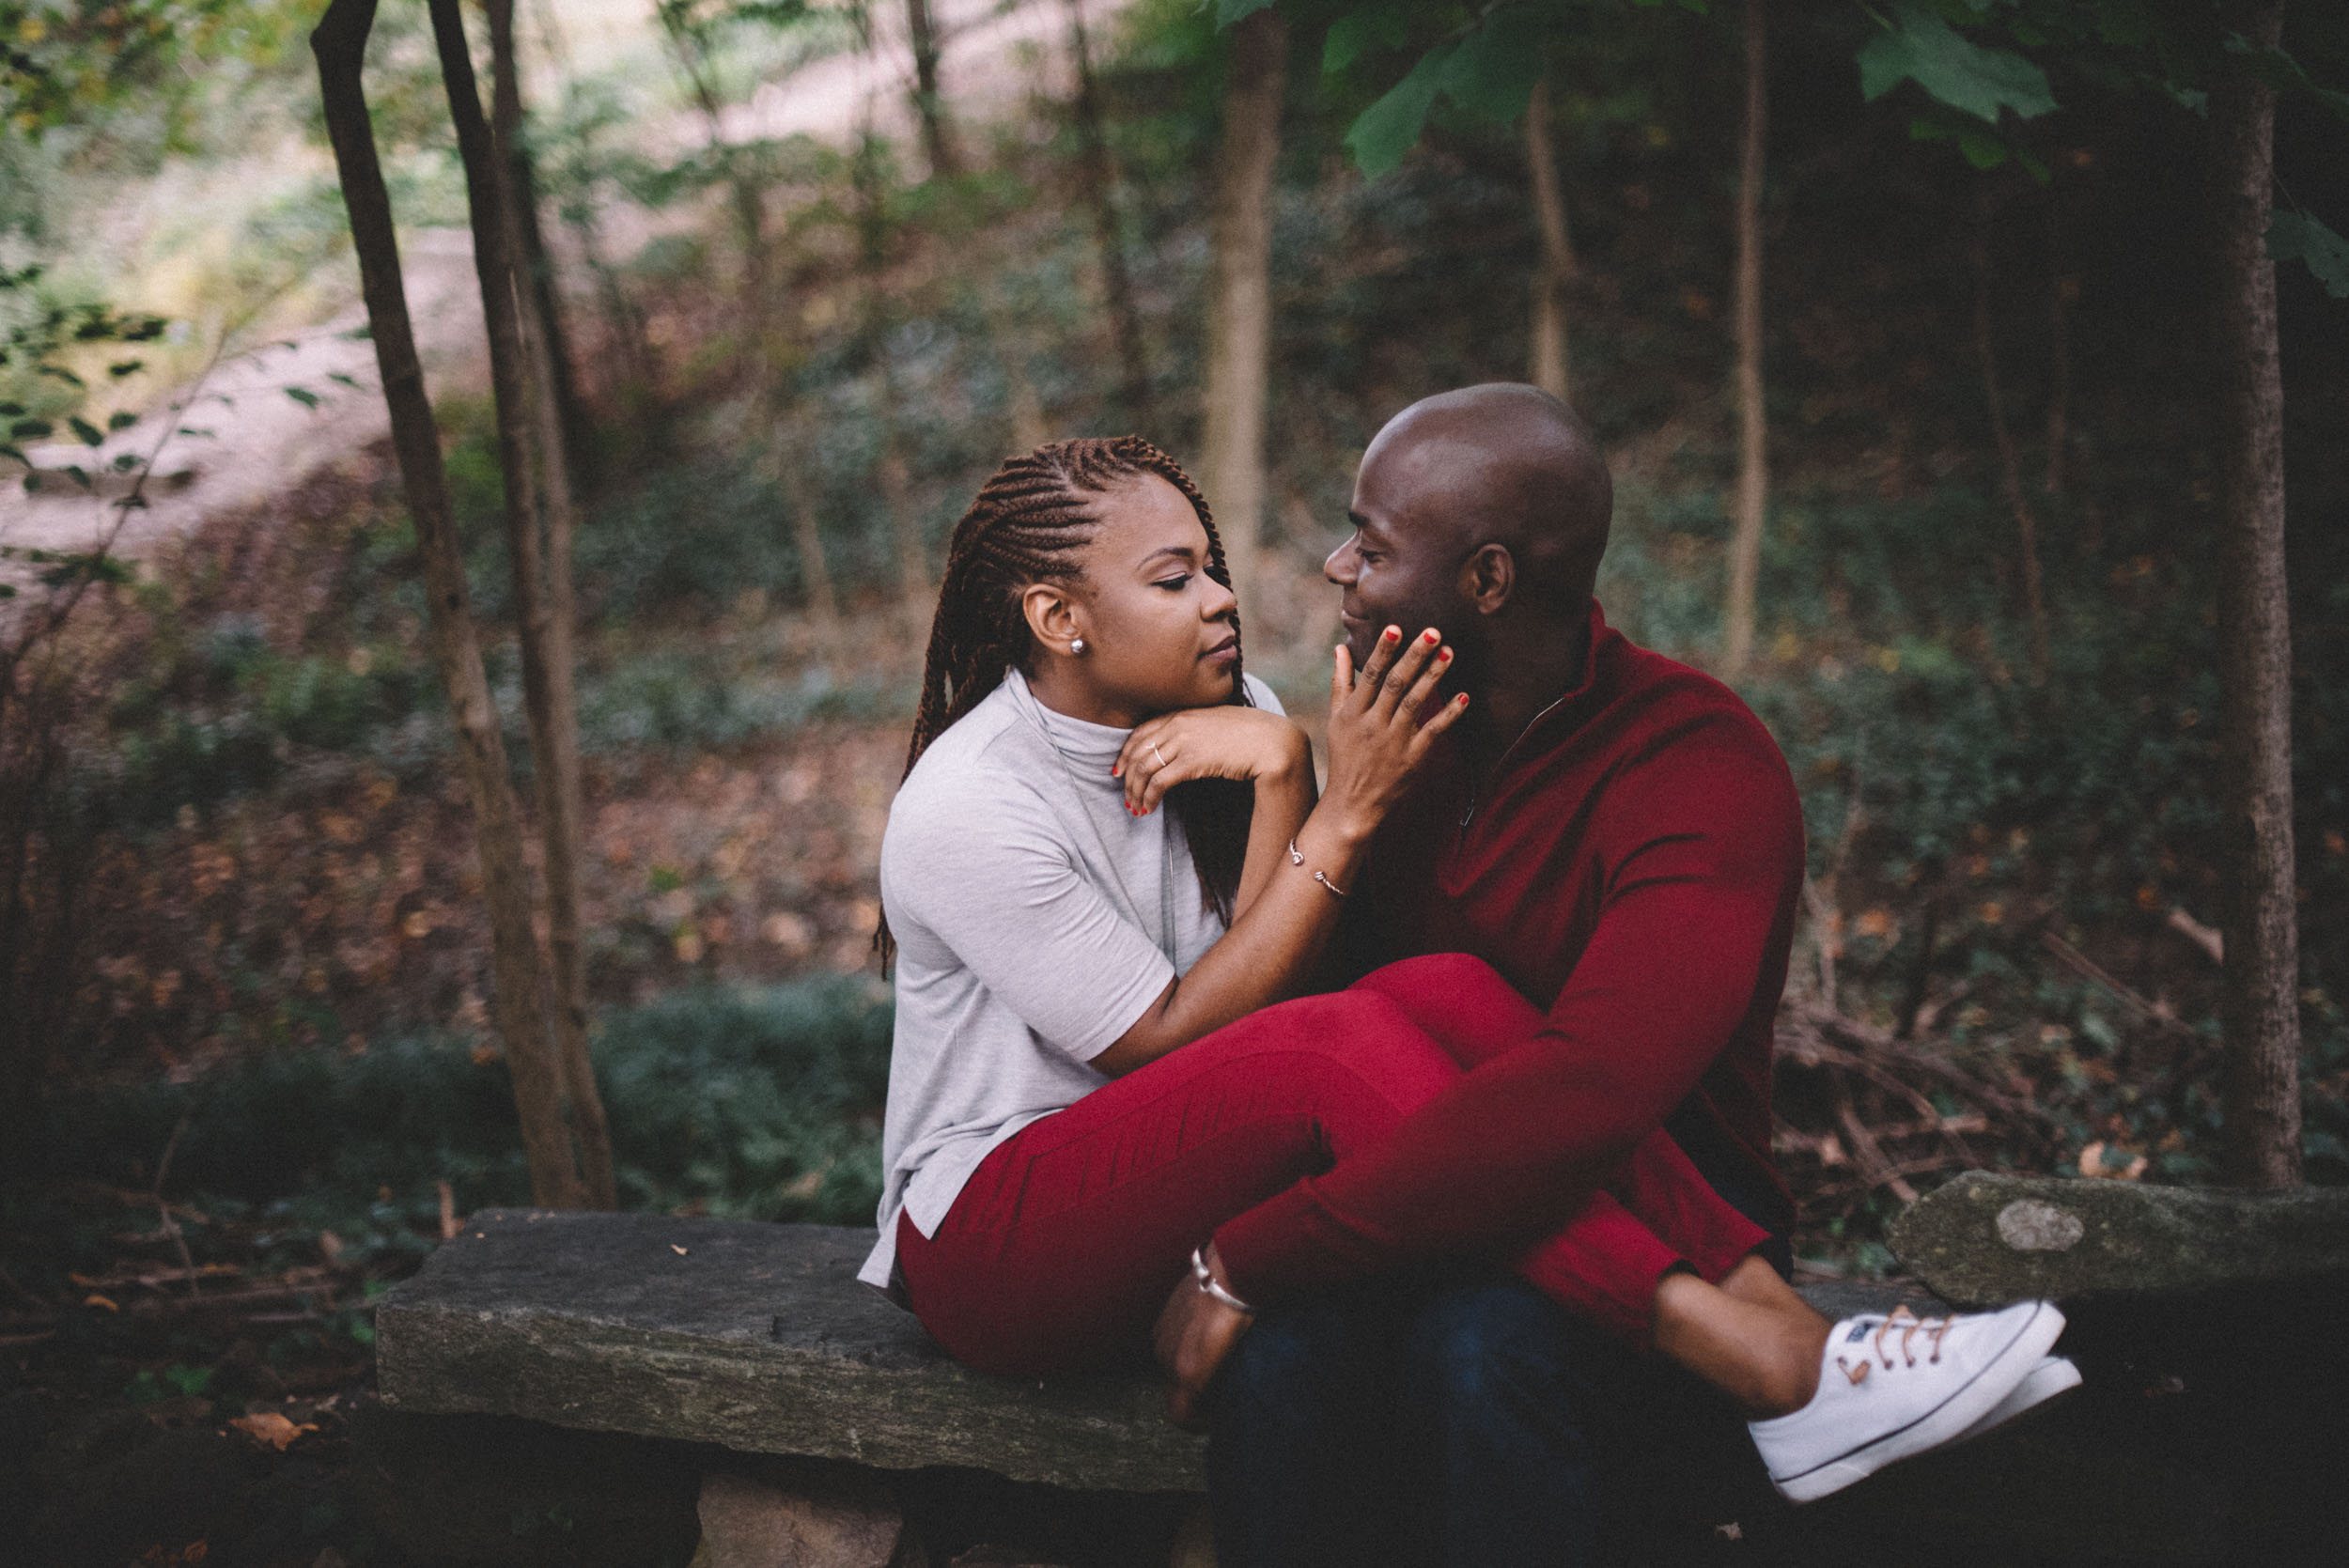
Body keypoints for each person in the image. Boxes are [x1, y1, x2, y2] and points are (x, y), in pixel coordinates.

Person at [863, 430, 2073, 1560]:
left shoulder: (1255, 724)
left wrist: (1285, 770)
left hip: (1189, 1201)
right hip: (999, 1235)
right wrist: (1330, 804)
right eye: (1175, 579)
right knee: (1334, 1046)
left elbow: (1289, 991)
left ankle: (1785, 1331)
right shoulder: (973, 804)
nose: (1229, 596)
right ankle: (1760, 1354)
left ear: (1486, 578)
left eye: (1208, 570)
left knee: (1437, 986)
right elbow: (1192, 1046)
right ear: (1056, 616)